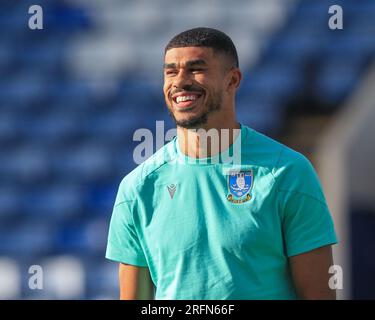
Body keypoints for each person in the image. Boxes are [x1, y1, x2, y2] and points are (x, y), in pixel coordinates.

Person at [105, 27, 338, 300]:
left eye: (196, 69)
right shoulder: (137, 188)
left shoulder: (288, 172)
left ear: (232, 80)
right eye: (171, 71)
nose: (180, 81)